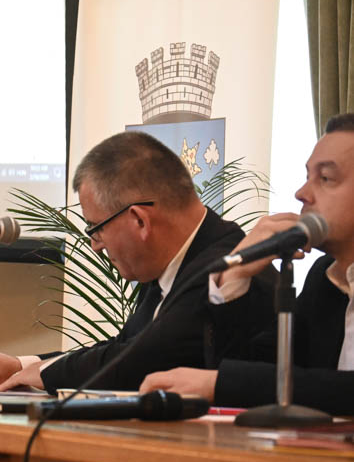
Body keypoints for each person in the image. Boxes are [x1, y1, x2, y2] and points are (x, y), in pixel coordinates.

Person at [0, 130, 273, 392]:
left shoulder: (226, 265)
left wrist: (41, 372)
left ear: (140, 221)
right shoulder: (175, 261)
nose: (95, 246)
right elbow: (125, 347)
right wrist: (20, 366)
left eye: (96, 229)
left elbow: (141, 361)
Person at [140, 114, 354, 416]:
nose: (302, 193)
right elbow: (262, 370)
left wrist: (221, 383)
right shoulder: (324, 279)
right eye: (307, 176)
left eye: (326, 178)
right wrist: (235, 275)